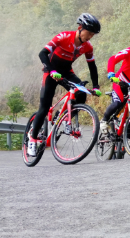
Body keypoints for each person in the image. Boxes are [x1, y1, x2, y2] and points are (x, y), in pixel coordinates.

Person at [27, 14, 102, 156]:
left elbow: (92, 66)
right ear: (80, 28)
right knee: (44, 107)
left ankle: (60, 119)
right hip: (51, 71)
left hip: (67, 72)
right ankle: (32, 139)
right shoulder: (63, 37)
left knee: (81, 93)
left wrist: (96, 86)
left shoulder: (87, 47)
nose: (90, 36)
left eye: (93, 34)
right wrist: (51, 70)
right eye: (89, 33)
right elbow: (42, 53)